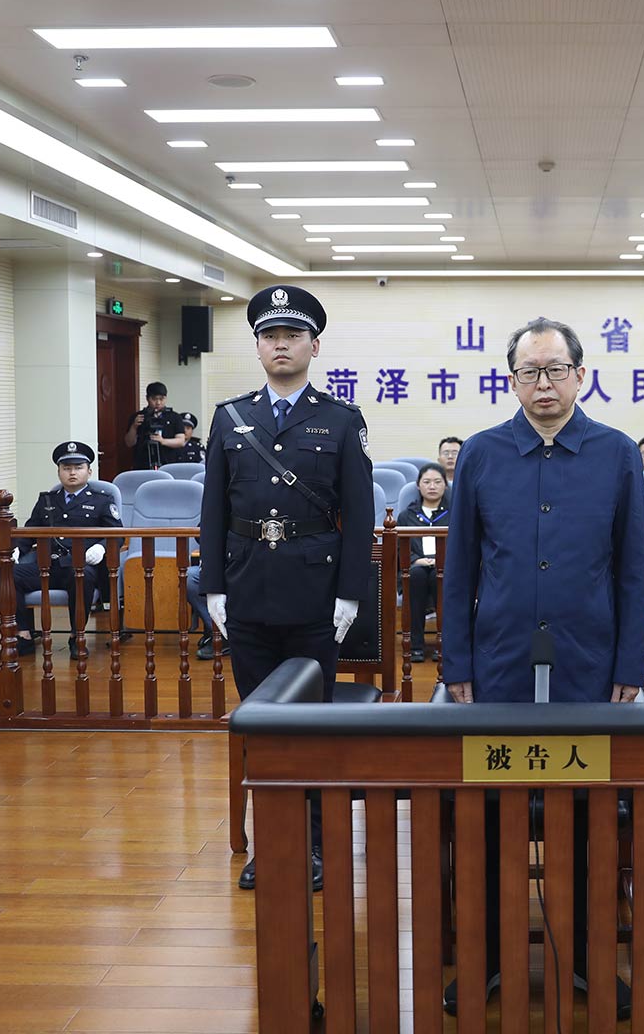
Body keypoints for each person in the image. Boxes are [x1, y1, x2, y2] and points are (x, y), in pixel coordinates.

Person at [440, 316, 643, 1019]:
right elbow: (460, 568)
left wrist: (630, 661)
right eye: (529, 372)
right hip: (498, 656)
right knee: (491, 808)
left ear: (581, 375)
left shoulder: (616, 453)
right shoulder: (482, 453)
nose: (544, 383)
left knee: (588, 810)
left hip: (589, 658)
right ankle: (491, 959)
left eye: (556, 370)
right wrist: (457, 662)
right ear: (512, 379)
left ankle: (587, 956)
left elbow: (632, 569)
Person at [198, 284, 374, 892]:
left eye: (292, 335)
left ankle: (316, 843)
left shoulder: (341, 419)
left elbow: (359, 514)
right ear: (257, 346)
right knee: (261, 724)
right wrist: (213, 587)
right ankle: (274, 844)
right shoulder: (230, 417)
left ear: (313, 346)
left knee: (311, 725)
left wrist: (350, 593)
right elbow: (214, 509)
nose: (281, 345)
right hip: (246, 589)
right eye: (270, 335)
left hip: (314, 594)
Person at [0, 441, 122, 659]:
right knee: (4, 574)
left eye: (78, 467)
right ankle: (23, 635)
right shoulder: (47, 500)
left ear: (89, 471)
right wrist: (16, 549)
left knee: (80, 576)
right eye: (66, 468)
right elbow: (30, 531)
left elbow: (118, 534)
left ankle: (77, 637)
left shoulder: (102, 500)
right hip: (47, 565)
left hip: (81, 565)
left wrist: (101, 548)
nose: (72, 473)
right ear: (59, 472)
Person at [397, 462, 450, 663]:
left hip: (445, 567)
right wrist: (416, 560)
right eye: (427, 482)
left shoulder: (455, 514)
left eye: (437, 481)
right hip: (415, 568)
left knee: (440, 576)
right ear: (418, 485)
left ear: (445, 485)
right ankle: (415, 645)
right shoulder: (406, 515)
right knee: (416, 575)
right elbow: (399, 547)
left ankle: (443, 645)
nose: (432, 486)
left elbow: (461, 544)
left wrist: (440, 560)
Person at [124, 382, 185, 470]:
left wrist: (163, 441)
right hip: (143, 464)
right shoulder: (138, 417)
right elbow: (129, 443)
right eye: (154, 399)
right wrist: (134, 426)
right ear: (147, 398)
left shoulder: (174, 417)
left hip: (168, 463)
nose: (158, 402)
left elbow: (181, 441)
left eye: (161, 399)